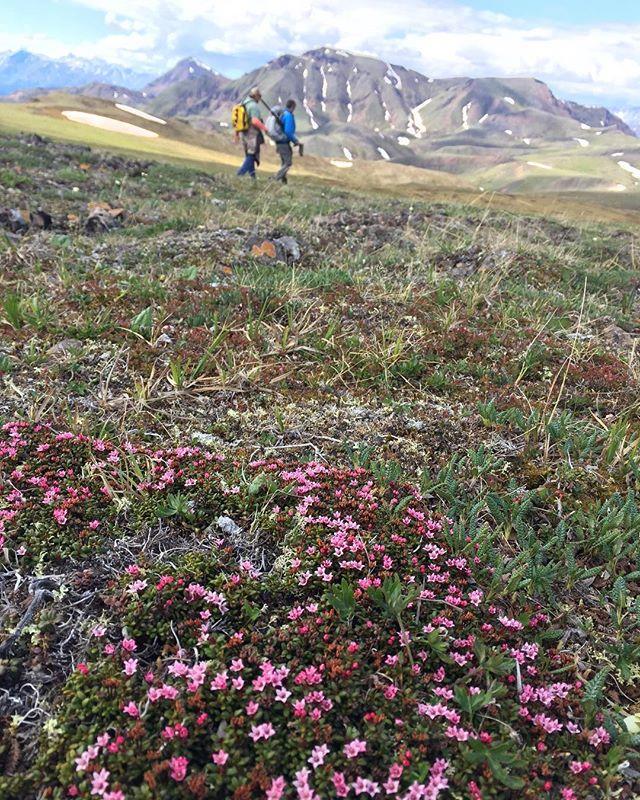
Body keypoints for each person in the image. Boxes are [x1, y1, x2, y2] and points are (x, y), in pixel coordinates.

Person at [237, 87, 268, 179]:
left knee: (250, 155)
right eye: (260, 96)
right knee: (251, 155)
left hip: (244, 132)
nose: (260, 98)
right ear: (256, 96)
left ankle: (253, 178)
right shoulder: (253, 106)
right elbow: (254, 120)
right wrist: (265, 128)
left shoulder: (244, 103)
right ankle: (239, 174)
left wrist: (236, 133)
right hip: (252, 133)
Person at [273, 100, 301, 184]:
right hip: (284, 141)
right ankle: (275, 178)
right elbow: (288, 131)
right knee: (288, 163)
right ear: (293, 106)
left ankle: (283, 181)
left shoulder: (283, 114)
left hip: (279, 141)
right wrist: (295, 141)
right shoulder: (288, 116)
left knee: (283, 162)